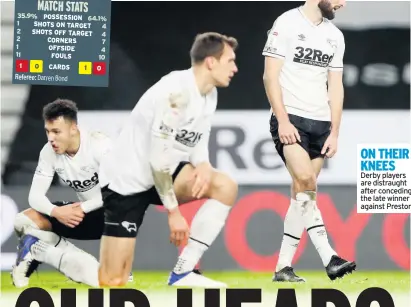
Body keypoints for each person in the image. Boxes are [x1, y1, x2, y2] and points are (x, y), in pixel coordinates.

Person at [98, 32, 239, 288]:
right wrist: (173, 212)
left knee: (225, 186)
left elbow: (198, 137)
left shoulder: (209, 93)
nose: (235, 68)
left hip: (166, 173)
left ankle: (183, 271)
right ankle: (49, 249)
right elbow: (156, 157)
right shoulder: (176, 93)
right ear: (210, 62)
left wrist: (204, 164)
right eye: (230, 61)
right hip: (126, 182)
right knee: (112, 281)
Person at [262, 0, 356, 282]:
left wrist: (335, 131)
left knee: (301, 194)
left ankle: (282, 267)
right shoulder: (286, 23)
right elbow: (270, 76)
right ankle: (330, 257)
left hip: (322, 124)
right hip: (291, 118)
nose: (343, 3)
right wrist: (283, 120)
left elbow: (336, 87)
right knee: (306, 181)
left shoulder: (335, 36)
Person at [11, 99, 132, 288]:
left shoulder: (100, 146)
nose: (51, 138)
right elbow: (35, 197)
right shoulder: (48, 152)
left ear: (73, 128)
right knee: (24, 221)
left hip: (117, 218)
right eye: (48, 131)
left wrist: (81, 207)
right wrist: (57, 212)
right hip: (84, 215)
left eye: (56, 132)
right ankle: (47, 252)